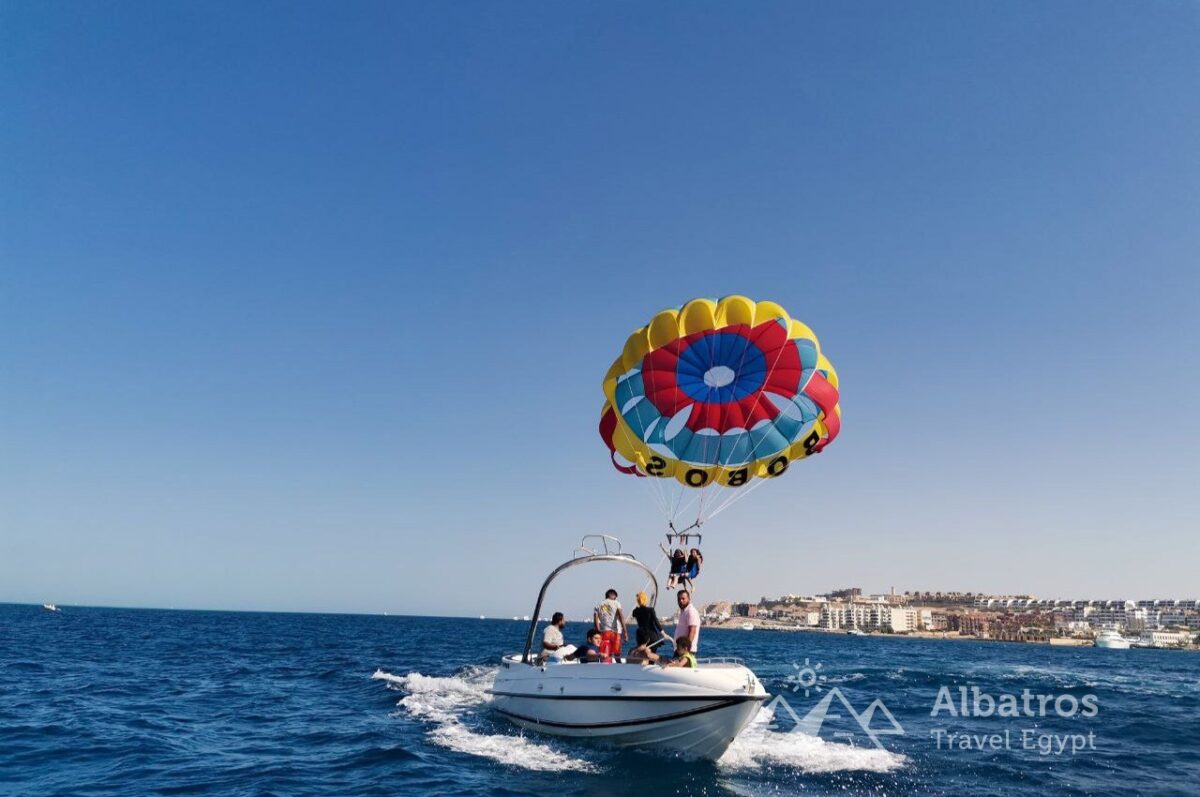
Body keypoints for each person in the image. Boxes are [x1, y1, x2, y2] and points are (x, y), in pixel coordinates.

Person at [594, 588, 627, 658]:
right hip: (615, 632)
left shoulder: (598, 605)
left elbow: (595, 619)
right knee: (617, 654)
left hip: (604, 632)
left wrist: (598, 631)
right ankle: (618, 666)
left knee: (605, 654)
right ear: (611, 594)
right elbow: (621, 617)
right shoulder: (617, 603)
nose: (615, 598)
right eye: (615, 596)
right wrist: (625, 631)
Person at [674, 589, 701, 654]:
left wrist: (686, 650)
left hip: (686, 651)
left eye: (683, 599)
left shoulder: (691, 611)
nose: (681, 601)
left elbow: (692, 631)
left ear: (689, 599)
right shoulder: (684, 611)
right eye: (679, 599)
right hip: (680, 649)